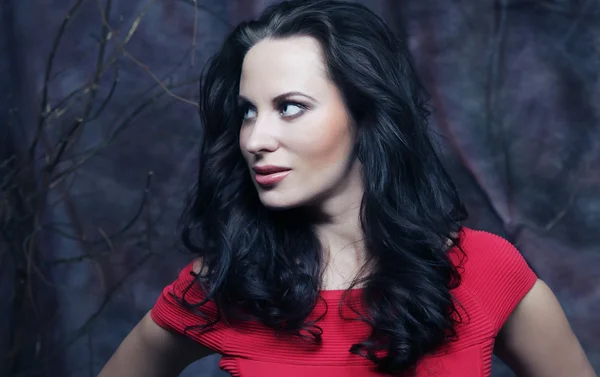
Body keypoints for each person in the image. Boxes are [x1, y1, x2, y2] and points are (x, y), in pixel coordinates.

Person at [98, 1, 597, 376]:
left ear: (365, 114)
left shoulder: (487, 269)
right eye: (247, 111)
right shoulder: (225, 282)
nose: (254, 138)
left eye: (289, 106)